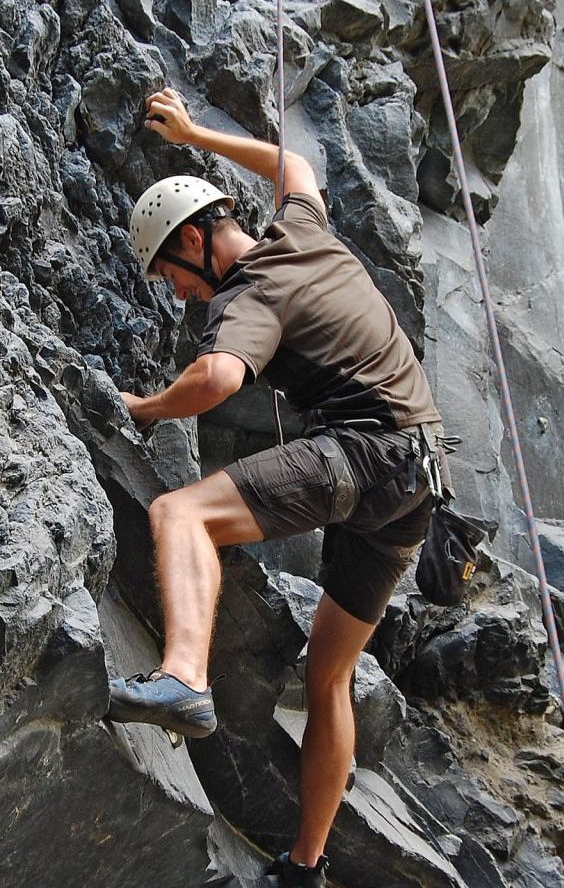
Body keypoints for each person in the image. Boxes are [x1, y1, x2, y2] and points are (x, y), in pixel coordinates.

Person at [107, 87, 448, 887]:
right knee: (328, 676)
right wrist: (195, 134)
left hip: (362, 457)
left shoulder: (247, 293)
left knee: (179, 512)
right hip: (420, 482)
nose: (180, 293)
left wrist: (145, 407)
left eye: (173, 273)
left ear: (195, 239)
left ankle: (183, 677)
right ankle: (304, 868)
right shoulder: (303, 231)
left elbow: (218, 377)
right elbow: (294, 164)